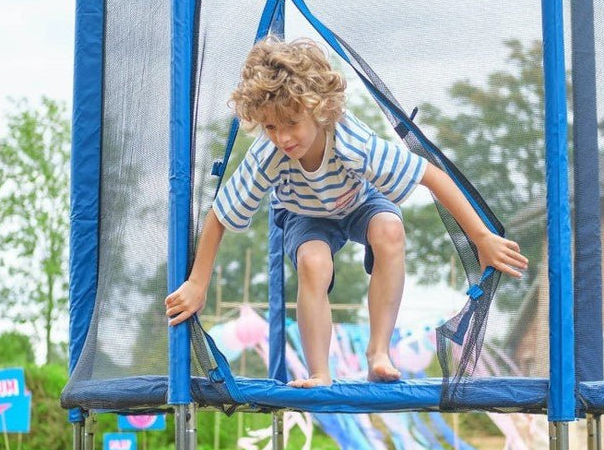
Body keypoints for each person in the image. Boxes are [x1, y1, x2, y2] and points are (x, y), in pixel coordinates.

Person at [165, 37, 527, 388]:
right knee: (313, 262)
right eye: (271, 126)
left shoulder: (352, 141)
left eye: (291, 123)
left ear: (319, 110)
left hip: (359, 201)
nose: (282, 137)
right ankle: (319, 372)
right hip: (303, 213)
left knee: (389, 230)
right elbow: (220, 214)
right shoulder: (268, 154)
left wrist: (480, 237)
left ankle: (378, 352)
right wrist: (197, 284)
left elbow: (430, 175)